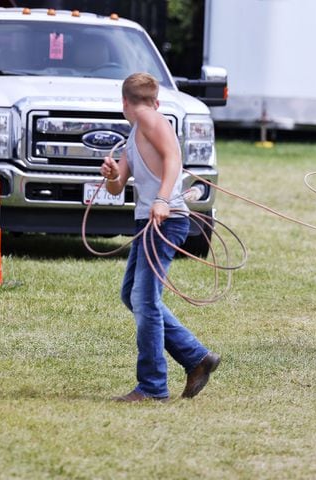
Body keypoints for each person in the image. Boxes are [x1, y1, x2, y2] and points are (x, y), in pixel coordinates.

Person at [101, 72, 220, 401]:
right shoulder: (134, 131)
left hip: (166, 220)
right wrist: (112, 174)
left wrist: (163, 199)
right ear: (154, 99)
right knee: (133, 296)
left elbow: (173, 158)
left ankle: (152, 386)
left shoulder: (151, 119)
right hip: (148, 222)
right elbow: (117, 186)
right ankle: (197, 357)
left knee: (145, 300)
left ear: (125, 102)